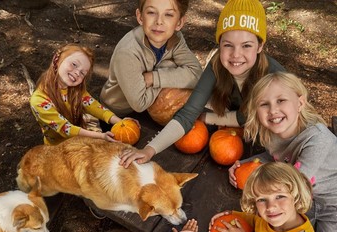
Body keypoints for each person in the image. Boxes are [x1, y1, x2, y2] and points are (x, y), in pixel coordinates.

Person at [119, 0, 285, 167]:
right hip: (243, 133)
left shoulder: (274, 77)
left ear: (260, 46)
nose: (236, 55)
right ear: (219, 44)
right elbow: (187, 114)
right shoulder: (217, 64)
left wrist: (209, 117)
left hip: (278, 143)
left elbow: (251, 117)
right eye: (228, 45)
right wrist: (149, 150)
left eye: (246, 45)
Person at [229, 71, 337, 232]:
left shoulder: (318, 139)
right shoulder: (272, 133)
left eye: (281, 101)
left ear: (300, 103)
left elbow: (294, 184)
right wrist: (246, 164)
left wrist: (256, 188)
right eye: (264, 104)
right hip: (307, 198)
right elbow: (275, 158)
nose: (273, 110)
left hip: (332, 203)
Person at [99, 0, 202, 117]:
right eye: (152, 12)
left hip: (152, 104)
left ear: (179, 22)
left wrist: (154, 77)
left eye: (168, 15)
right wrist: (168, 67)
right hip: (118, 113)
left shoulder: (175, 39)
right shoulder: (127, 52)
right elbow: (139, 103)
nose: (159, 21)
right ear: (140, 17)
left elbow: (197, 74)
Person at [30, 43, 136, 145]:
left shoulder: (75, 90)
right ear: (57, 60)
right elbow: (66, 129)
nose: (77, 73)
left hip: (78, 140)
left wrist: (120, 122)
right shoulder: (39, 100)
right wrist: (101, 136)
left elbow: (95, 107)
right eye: (74, 64)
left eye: (82, 73)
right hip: (57, 147)